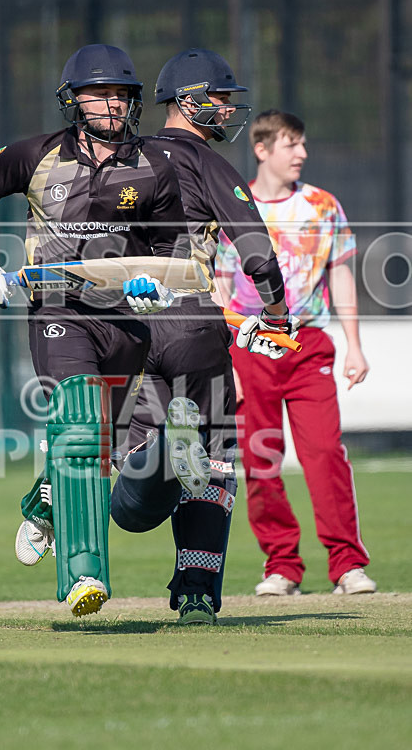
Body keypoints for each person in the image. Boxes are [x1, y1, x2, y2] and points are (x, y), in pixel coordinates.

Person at [0, 43, 197, 617]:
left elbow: (171, 246)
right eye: (99, 93)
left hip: (127, 325)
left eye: (122, 94)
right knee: (79, 422)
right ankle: (85, 575)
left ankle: (43, 502)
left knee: (95, 449)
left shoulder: (155, 167)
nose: (112, 104)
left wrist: (158, 285)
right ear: (72, 100)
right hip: (58, 313)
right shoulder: (36, 155)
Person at [111, 50, 295, 625]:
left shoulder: (119, 156)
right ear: (188, 101)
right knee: (213, 465)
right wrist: (277, 314)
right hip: (193, 319)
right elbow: (255, 245)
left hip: (126, 324)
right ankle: (196, 591)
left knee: (135, 479)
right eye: (218, 99)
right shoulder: (205, 161)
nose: (225, 109)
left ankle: (165, 445)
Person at [214, 109, 376, 596]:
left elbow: (341, 274)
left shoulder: (324, 206)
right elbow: (220, 285)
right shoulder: (234, 206)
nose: (302, 153)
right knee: (260, 457)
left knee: (325, 452)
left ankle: (347, 565)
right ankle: (281, 565)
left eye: (302, 144)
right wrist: (226, 356)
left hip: (308, 344)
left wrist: (355, 346)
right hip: (251, 346)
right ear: (262, 150)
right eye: (290, 144)